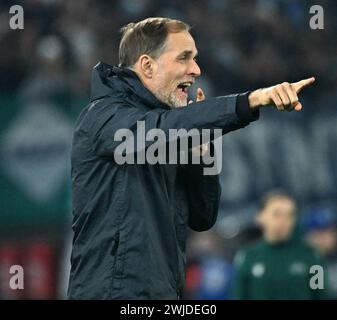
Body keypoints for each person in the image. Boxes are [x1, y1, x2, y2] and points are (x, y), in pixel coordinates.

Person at [68, 17, 315, 299]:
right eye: (184, 58)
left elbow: (202, 216)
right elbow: (157, 131)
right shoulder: (102, 117)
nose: (195, 70)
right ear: (148, 66)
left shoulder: (169, 129)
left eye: (195, 59)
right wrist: (250, 101)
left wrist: (201, 153)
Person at [232, 191, 326, 300]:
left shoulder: (312, 256)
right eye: (277, 214)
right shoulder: (247, 256)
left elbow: (321, 296)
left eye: (290, 215)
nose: (284, 221)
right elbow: (238, 296)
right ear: (260, 217)